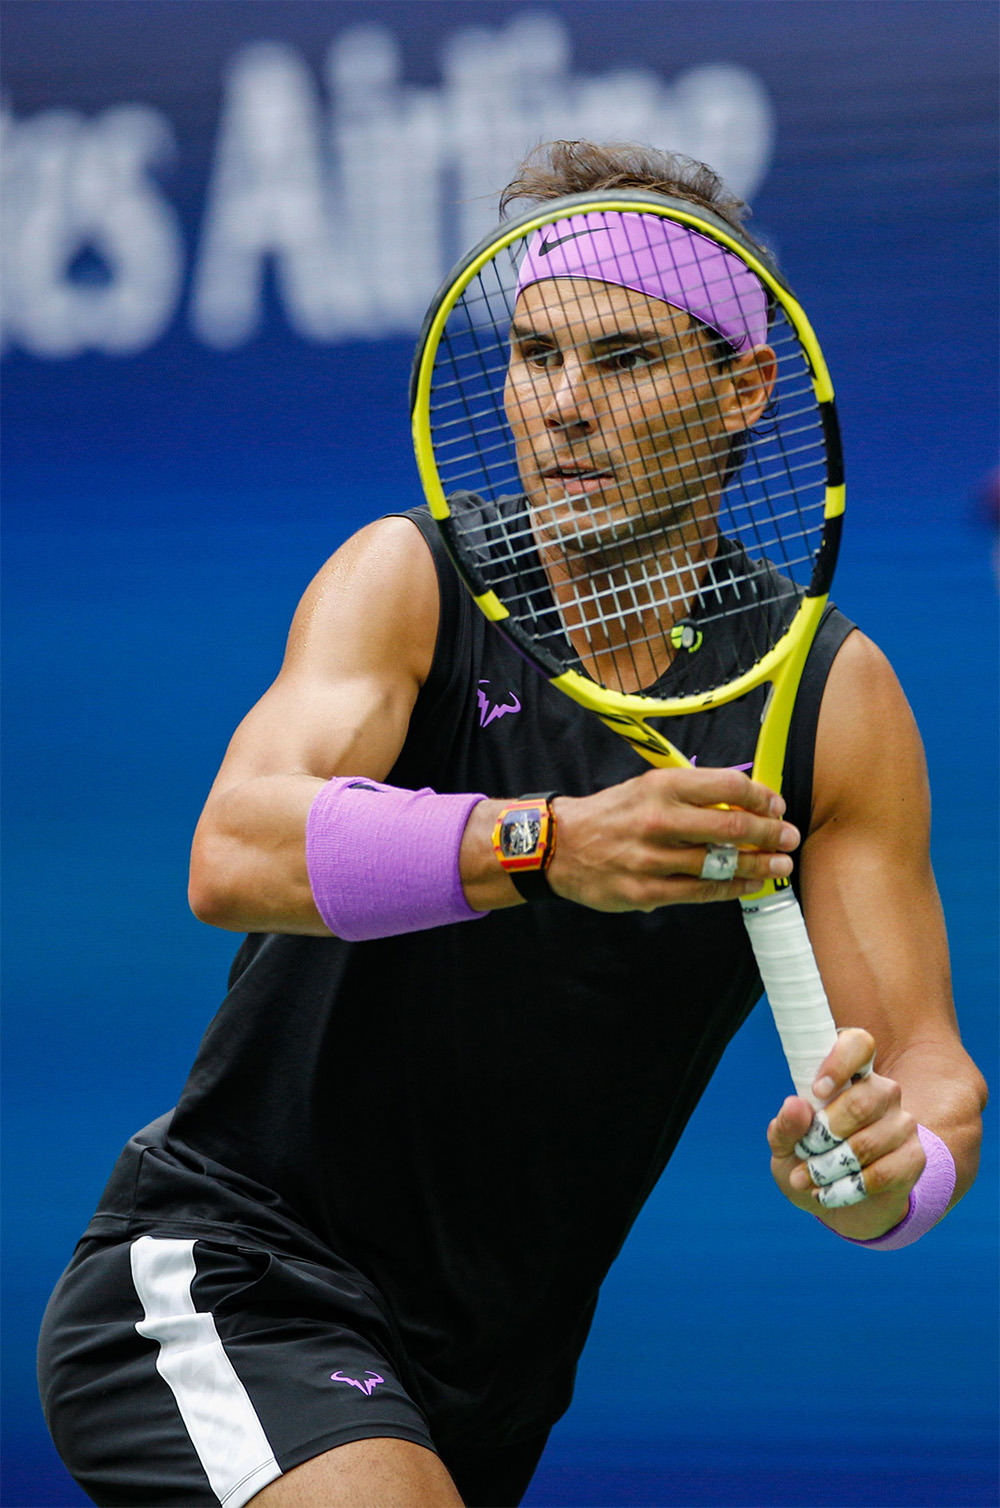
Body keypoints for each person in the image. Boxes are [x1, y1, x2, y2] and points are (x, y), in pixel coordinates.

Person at [38, 140, 986, 1508]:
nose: (561, 408)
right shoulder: (407, 585)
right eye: (534, 356)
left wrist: (891, 1182)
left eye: (623, 361)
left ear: (744, 390)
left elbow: (927, 1069)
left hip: (491, 1380)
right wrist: (543, 846)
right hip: (235, 1273)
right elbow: (234, 850)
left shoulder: (829, 703)